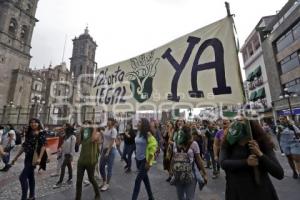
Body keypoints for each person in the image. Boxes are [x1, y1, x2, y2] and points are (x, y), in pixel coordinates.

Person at [220, 120, 284, 200]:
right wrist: (246, 162)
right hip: (236, 192)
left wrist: (260, 154)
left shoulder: (262, 142)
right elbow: (223, 163)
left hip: (261, 192)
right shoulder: (228, 142)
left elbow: (279, 173)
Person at [11, 118, 48, 200]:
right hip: (27, 157)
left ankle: (23, 197)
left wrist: (39, 158)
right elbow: (24, 146)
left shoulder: (42, 132)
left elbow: (43, 146)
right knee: (31, 177)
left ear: (38, 123)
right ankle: (32, 196)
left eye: (35, 122)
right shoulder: (29, 133)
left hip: (34, 158)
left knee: (22, 177)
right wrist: (15, 158)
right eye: (31, 122)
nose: (33, 124)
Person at [172, 125, 208, 200]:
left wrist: (171, 171)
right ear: (189, 134)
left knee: (181, 197)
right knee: (189, 197)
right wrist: (204, 174)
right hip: (191, 174)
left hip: (178, 173)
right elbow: (199, 160)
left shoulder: (176, 143)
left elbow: (174, 158)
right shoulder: (194, 144)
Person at [132, 118, 157, 200]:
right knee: (145, 180)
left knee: (137, 181)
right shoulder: (138, 133)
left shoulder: (148, 134)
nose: (138, 123)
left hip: (144, 161)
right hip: (138, 160)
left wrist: (148, 162)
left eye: (139, 122)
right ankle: (151, 197)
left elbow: (153, 148)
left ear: (144, 124)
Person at [75, 120, 100, 200]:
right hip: (82, 160)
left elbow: (93, 139)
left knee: (91, 178)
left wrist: (94, 128)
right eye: (84, 124)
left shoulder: (97, 133)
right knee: (78, 181)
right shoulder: (83, 133)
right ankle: (78, 198)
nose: (85, 125)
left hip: (91, 161)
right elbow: (78, 143)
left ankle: (97, 194)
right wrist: (79, 132)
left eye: (87, 124)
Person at [53, 123, 76, 188]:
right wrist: (60, 151)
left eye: (66, 129)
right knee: (69, 166)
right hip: (64, 154)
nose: (65, 130)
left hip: (69, 155)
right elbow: (63, 145)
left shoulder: (72, 137)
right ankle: (70, 178)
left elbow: (72, 147)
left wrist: (71, 156)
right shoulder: (66, 136)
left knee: (63, 167)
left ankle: (60, 182)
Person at [99, 118, 118, 191]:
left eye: (109, 121)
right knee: (101, 166)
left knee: (109, 168)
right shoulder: (107, 128)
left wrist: (107, 152)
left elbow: (112, 142)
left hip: (111, 150)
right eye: (107, 121)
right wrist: (102, 133)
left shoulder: (114, 130)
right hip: (104, 149)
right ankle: (104, 181)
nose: (107, 122)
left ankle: (107, 184)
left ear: (112, 123)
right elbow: (105, 138)